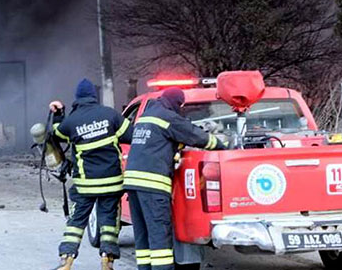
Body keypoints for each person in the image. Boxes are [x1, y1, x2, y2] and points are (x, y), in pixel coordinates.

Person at [123, 88, 224, 270]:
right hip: (152, 185)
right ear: (176, 103)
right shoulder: (167, 117)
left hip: (133, 184)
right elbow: (195, 135)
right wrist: (221, 145)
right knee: (159, 234)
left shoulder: (147, 114)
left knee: (142, 235)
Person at [49, 79, 131, 270]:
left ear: (77, 98)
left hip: (85, 185)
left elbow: (56, 135)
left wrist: (59, 114)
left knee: (76, 221)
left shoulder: (72, 120)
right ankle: (107, 260)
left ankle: (66, 260)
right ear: (94, 97)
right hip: (112, 183)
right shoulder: (110, 115)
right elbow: (131, 135)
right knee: (109, 222)